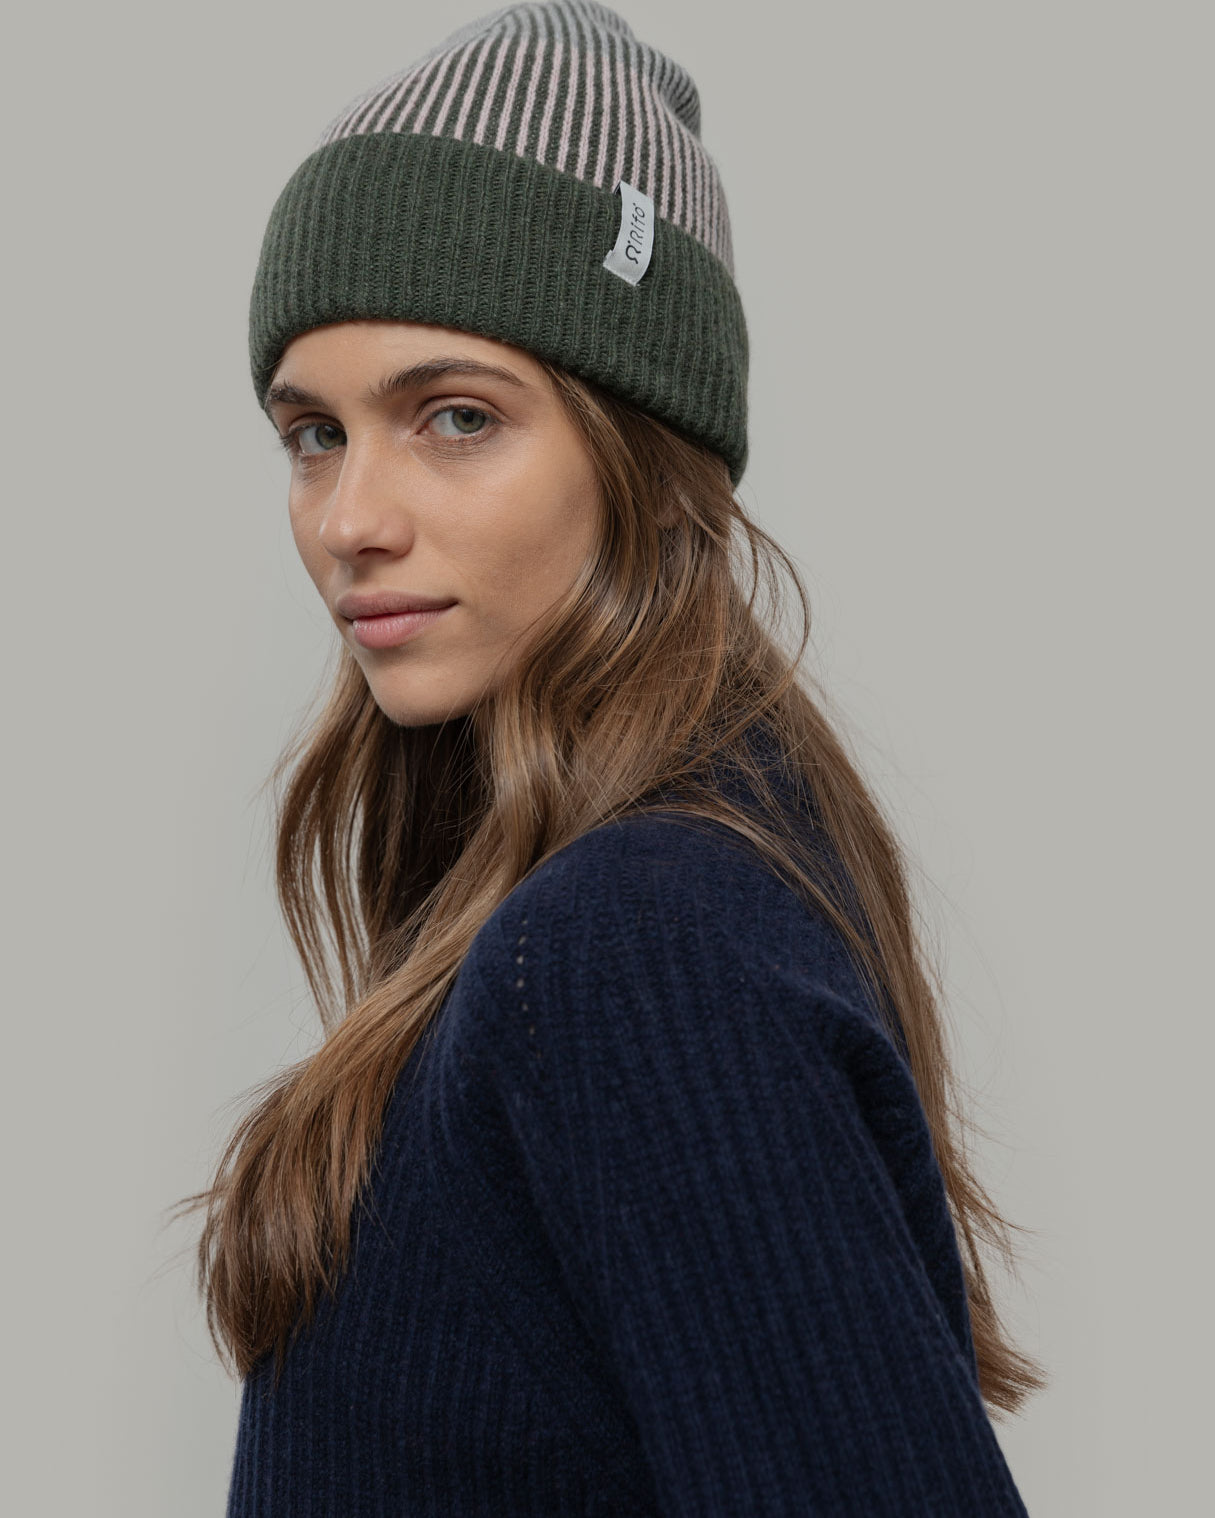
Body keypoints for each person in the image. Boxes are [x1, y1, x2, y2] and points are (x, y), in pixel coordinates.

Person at [188, 3, 1045, 1511]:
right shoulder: (611, 902)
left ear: (642, 455)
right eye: (314, 433)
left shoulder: (631, 942)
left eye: (456, 416)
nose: (349, 519)